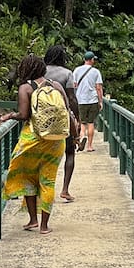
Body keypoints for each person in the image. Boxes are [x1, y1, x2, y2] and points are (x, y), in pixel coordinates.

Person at [0, 55, 71, 233]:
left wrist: (9, 115)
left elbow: (23, 115)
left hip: (33, 140)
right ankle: (44, 226)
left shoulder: (26, 88)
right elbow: (67, 110)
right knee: (48, 180)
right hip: (55, 141)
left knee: (27, 178)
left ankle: (32, 220)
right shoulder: (56, 86)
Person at [43, 44, 77, 202]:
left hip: (42, 118)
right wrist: (76, 118)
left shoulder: (40, 71)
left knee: (42, 154)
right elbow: (71, 98)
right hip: (62, 118)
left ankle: (43, 189)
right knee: (70, 151)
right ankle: (65, 190)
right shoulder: (67, 73)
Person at [71, 50, 104, 152]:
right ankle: (89, 146)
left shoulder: (76, 70)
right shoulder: (96, 72)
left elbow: (74, 85)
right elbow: (98, 87)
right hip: (92, 100)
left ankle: (81, 141)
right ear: (92, 59)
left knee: (82, 123)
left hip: (80, 100)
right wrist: (100, 101)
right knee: (90, 123)